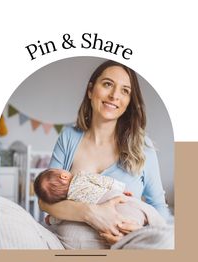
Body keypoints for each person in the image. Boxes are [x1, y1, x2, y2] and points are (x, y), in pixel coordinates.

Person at [38, 60, 170, 245]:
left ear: (129, 102)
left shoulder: (142, 147)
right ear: (91, 90)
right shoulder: (69, 137)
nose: (115, 95)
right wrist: (91, 214)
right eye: (108, 84)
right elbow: (44, 202)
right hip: (63, 247)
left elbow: (158, 208)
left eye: (125, 90)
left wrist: (140, 234)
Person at [34, 167, 165, 232]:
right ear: (63, 176)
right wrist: (121, 189)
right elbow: (104, 181)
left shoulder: (69, 201)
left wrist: (50, 219)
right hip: (113, 199)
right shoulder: (80, 176)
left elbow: (61, 217)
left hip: (107, 218)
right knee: (146, 214)